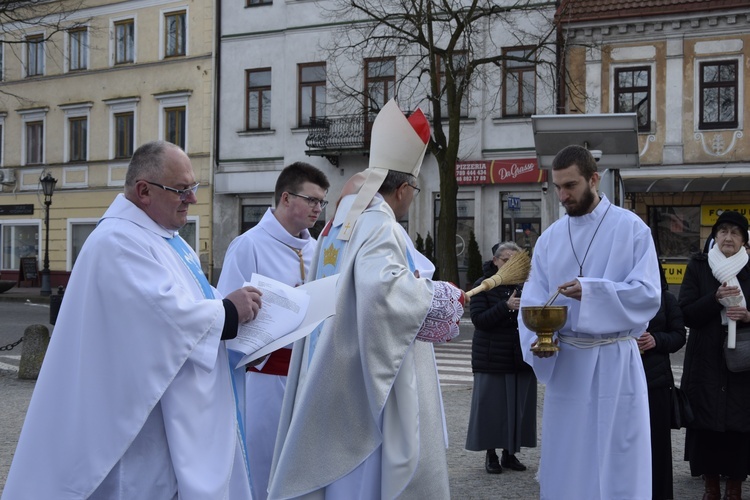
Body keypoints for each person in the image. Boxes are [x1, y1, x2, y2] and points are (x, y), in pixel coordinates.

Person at [1, 141, 263, 500]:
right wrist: (229, 312)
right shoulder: (117, 242)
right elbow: (161, 318)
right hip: (136, 426)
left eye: (193, 188)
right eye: (182, 190)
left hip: (170, 417)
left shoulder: (170, 240)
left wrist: (238, 310)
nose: (193, 199)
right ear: (144, 191)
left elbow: (193, 299)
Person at [268, 99, 464, 499]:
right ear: (405, 187)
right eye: (416, 188)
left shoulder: (336, 226)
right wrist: (438, 295)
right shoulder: (380, 224)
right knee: (370, 475)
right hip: (369, 385)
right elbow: (384, 293)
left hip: (332, 369)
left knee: (339, 476)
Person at [517, 144, 661, 500]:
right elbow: (534, 300)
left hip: (616, 362)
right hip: (569, 366)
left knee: (619, 457)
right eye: (558, 187)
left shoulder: (632, 229)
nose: (563, 195)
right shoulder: (550, 239)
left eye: (571, 186)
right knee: (570, 457)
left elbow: (648, 295)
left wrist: (593, 291)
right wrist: (537, 342)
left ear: (594, 179)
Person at [217, 161, 330, 500]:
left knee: (305, 469)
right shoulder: (248, 245)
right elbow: (227, 314)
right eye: (311, 200)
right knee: (263, 468)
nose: (317, 208)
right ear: (285, 198)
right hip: (266, 378)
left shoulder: (319, 249)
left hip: (311, 376)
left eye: (322, 202)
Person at [679, 210, 750, 500]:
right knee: (706, 422)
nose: (728, 237)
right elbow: (685, 313)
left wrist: (748, 315)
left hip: (742, 358)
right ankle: (710, 486)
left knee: (740, 423)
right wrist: (715, 298)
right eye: (723, 232)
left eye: (735, 232)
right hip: (705, 357)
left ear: (744, 240)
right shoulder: (698, 266)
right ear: (715, 236)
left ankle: (734, 486)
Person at [465, 241, 537, 474]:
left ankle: (510, 453)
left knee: (518, 408)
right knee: (491, 409)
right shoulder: (482, 285)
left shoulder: (526, 285)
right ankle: (491, 455)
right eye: (506, 259)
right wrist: (505, 307)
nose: (510, 264)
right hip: (491, 357)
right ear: (495, 261)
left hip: (520, 357)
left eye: (515, 260)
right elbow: (479, 321)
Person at [637, 263, 686, 500]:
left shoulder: (666, 298)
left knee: (658, 447)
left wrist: (656, 340)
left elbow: (679, 335)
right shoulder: (622, 297)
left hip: (656, 383)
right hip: (624, 381)